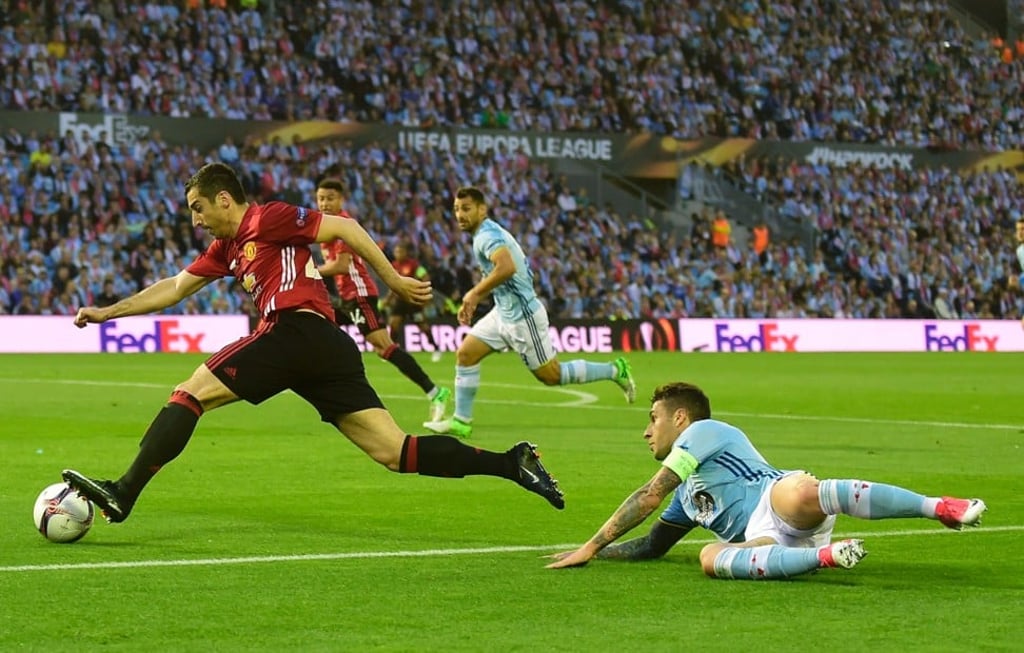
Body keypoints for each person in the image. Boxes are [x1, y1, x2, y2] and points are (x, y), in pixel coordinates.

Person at [60, 162, 565, 525]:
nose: (195, 219)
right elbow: (172, 288)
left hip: (293, 330)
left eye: (198, 208)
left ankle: (123, 492)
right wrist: (109, 311)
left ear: (223, 199)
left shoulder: (268, 217)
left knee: (189, 393)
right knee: (395, 451)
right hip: (325, 346)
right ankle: (510, 462)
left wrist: (390, 279)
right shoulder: (228, 248)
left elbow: (343, 226)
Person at [546, 382, 986, 579]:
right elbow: (653, 545)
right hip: (765, 542)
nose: (647, 430)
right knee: (707, 557)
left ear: (679, 418)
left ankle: (939, 507)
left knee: (800, 493)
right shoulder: (687, 496)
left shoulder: (704, 432)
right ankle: (826, 557)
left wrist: (592, 545)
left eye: (654, 419)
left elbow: (648, 494)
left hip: (777, 501)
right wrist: (602, 557)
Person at [423, 186, 636, 439]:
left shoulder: (486, 235)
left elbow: (506, 267)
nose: (460, 215)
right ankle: (461, 420)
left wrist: (474, 294)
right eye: (457, 209)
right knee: (466, 354)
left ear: (482, 209)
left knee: (551, 375)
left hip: (523, 317)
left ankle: (614, 370)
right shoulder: (483, 233)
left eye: (466, 209)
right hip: (502, 313)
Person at [314, 179, 450, 422]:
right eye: (321, 198)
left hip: (359, 295)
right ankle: (330, 388)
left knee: (384, 347)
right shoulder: (325, 226)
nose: (325, 203)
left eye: (330, 198)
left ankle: (435, 392)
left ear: (341, 200)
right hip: (346, 298)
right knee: (317, 325)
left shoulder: (343, 225)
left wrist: (311, 270)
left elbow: (342, 265)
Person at [381, 241, 445, 363]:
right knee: (393, 323)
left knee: (422, 325)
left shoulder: (413, 265)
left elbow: (425, 276)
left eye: (400, 251)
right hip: (400, 301)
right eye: (396, 251)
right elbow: (393, 286)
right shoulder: (393, 266)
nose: (397, 253)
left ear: (405, 253)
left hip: (412, 300)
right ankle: (391, 351)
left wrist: (422, 292)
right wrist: (388, 300)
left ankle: (436, 348)